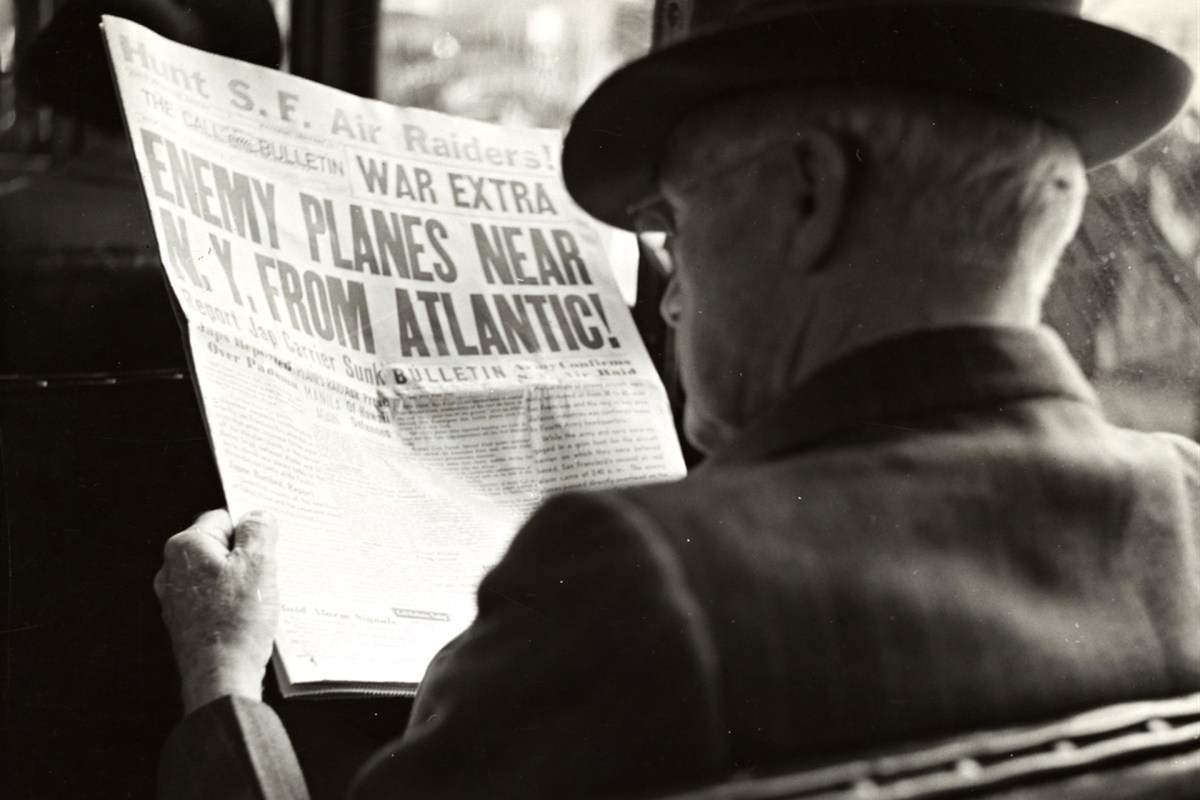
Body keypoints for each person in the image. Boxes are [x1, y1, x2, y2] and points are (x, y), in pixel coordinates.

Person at [152, 1, 1199, 798]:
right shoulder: (1185, 507)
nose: (673, 291)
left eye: (682, 220)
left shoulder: (635, 582)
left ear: (810, 194)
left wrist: (224, 686)